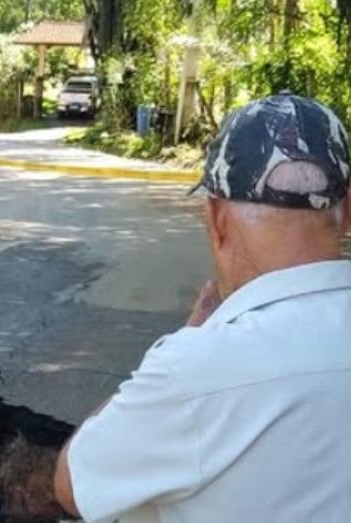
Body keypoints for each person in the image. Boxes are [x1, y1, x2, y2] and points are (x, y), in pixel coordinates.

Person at [54, 93, 351, 522]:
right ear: (349, 212)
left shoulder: (194, 368)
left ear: (216, 218)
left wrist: (188, 336)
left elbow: (73, 486)